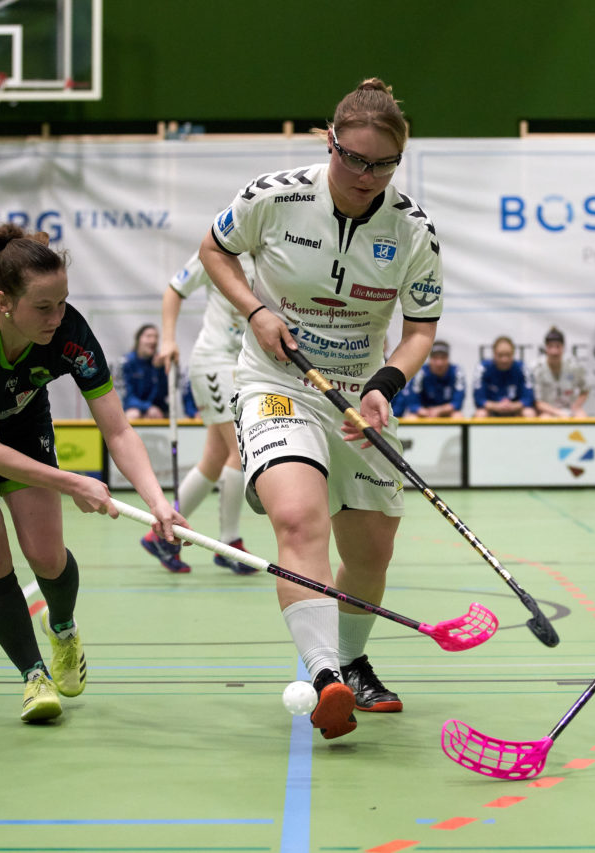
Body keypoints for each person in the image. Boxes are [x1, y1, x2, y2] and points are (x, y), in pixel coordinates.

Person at [200, 78, 441, 740]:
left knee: (370, 553)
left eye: (383, 165)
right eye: (353, 159)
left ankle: (353, 660)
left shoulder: (413, 230)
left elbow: (420, 329)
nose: (366, 177)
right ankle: (326, 675)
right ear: (329, 142)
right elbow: (214, 248)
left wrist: (384, 387)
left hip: (358, 399)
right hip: (276, 382)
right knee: (298, 518)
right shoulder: (273, 197)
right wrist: (255, 310)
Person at [0, 223, 182, 722]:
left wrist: (159, 502)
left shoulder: (70, 333)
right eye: (43, 307)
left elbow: (118, 430)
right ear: (4, 302)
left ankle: (64, 628)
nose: (57, 317)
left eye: (63, 302)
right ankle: (33, 676)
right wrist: (73, 481)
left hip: (21, 419)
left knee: (47, 556)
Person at [140, 250, 256, 575]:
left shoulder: (272, 252)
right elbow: (174, 290)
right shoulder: (219, 248)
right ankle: (229, 544)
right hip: (215, 362)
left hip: (244, 365)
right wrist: (168, 340)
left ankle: (159, 535)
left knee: (215, 458)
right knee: (240, 451)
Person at [472, 335, 536, 418]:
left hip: (515, 410)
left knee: (529, 412)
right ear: (494, 354)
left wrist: (512, 406)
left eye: (508, 355)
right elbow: (479, 399)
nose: (504, 359)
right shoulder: (483, 368)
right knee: (480, 413)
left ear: (513, 354)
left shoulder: (522, 368)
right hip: (492, 410)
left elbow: (528, 398)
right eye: (500, 355)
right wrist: (497, 406)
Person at [531, 327, 589, 419]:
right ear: (546, 348)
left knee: (582, 417)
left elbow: (585, 389)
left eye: (558, 346)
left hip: (569, 408)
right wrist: (558, 413)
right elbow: (537, 402)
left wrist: (576, 406)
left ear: (563, 348)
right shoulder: (537, 369)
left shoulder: (573, 366)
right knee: (545, 419)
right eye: (550, 346)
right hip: (548, 410)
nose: (554, 351)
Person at [403, 340, 465, 418]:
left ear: (448, 358)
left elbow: (457, 403)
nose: (439, 363)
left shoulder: (457, 372)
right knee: (411, 417)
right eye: (435, 358)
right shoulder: (420, 373)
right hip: (425, 413)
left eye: (443, 358)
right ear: (430, 359)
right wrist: (426, 412)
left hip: (446, 413)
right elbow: (413, 403)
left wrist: (439, 410)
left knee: (457, 416)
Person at [120, 323, 167, 420]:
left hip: (156, 411)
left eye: (156, 337)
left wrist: (159, 370)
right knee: (134, 414)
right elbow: (127, 396)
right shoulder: (127, 362)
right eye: (148, 336)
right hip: (133, 408)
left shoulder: (160, 363)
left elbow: (163, 395)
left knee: (156, 415)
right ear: (138, 339)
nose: (153, 341)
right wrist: (147, 407)